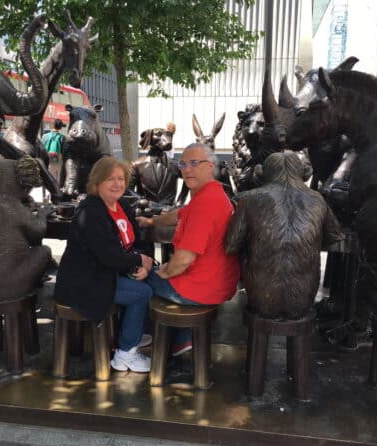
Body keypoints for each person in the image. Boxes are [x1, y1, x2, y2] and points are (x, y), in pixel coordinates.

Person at [138, 143, 240, 355]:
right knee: (158, 269)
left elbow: (184, 259)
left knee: (138, 276)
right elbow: (180, 213)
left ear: (210, 166)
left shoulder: (205, 204)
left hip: (201, 288)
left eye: (194, 163)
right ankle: (182, 338)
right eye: (183, 163)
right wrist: (152, 222)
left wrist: (163, 271)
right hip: (219, 282)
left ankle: (141, 339)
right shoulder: (213, 194)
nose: (187, 169)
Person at [54, 158, 154, 372]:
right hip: (86, 280)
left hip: (108, 272)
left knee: (153, 278)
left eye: (121, 178)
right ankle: (125, 354)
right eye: (110, 179)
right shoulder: (90, 211)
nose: (117, 184)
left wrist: (144, 263)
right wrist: (138, 261)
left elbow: (137, 241)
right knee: (141, 293)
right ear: (97, 182)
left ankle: (131, 332)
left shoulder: (123, 205)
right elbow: (109, 256)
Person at [41, 118, 65, 184]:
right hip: (57, 157)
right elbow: (64, 150)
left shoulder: (45, 136)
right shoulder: (62, 137)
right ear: (60, 127)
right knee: (56, 175)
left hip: (46, 156)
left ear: (52, 125)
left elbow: (41, 148)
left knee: (45, 173)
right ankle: (54, 190)